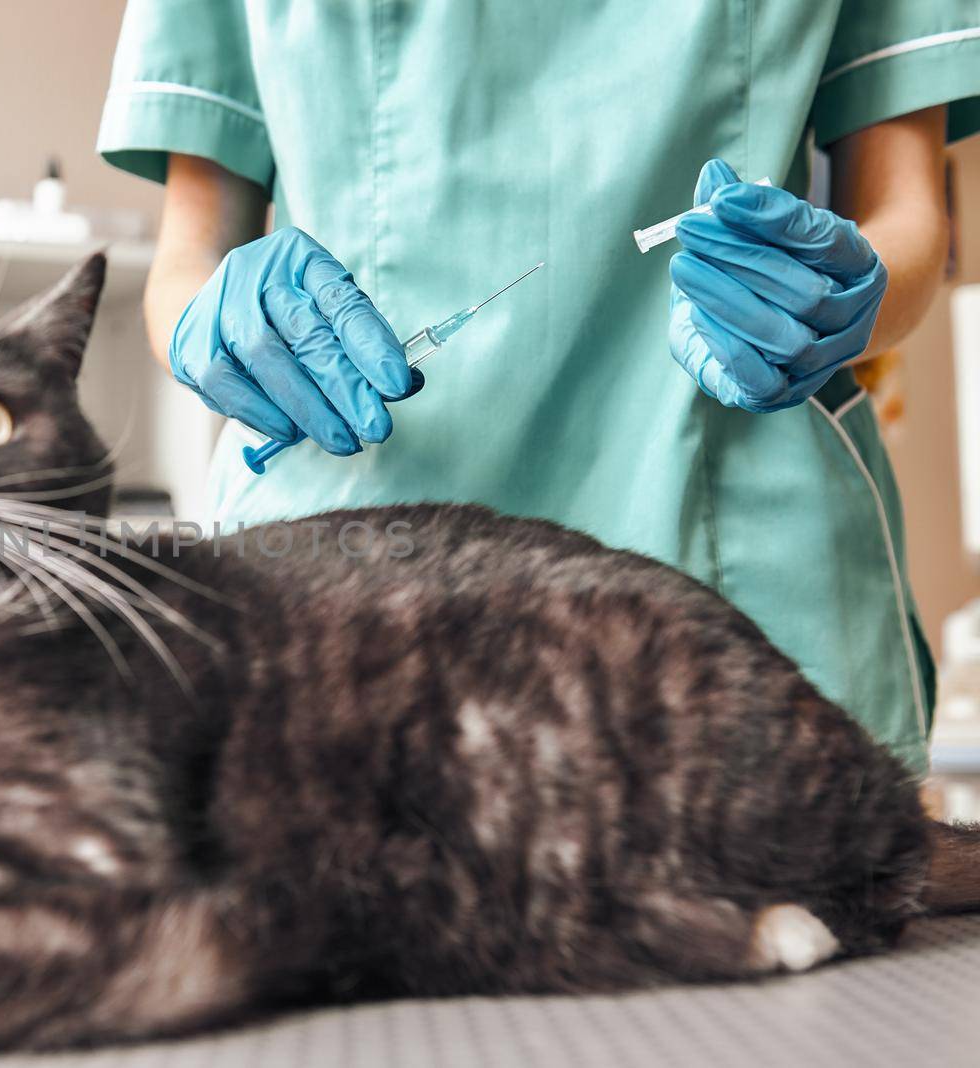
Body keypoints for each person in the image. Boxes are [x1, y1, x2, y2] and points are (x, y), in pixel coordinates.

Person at [97, 2, 980, 771]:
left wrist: (842, 295)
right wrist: (209, 320)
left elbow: (907, 216)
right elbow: (188, 256)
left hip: (739, 566)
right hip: (344, 576)